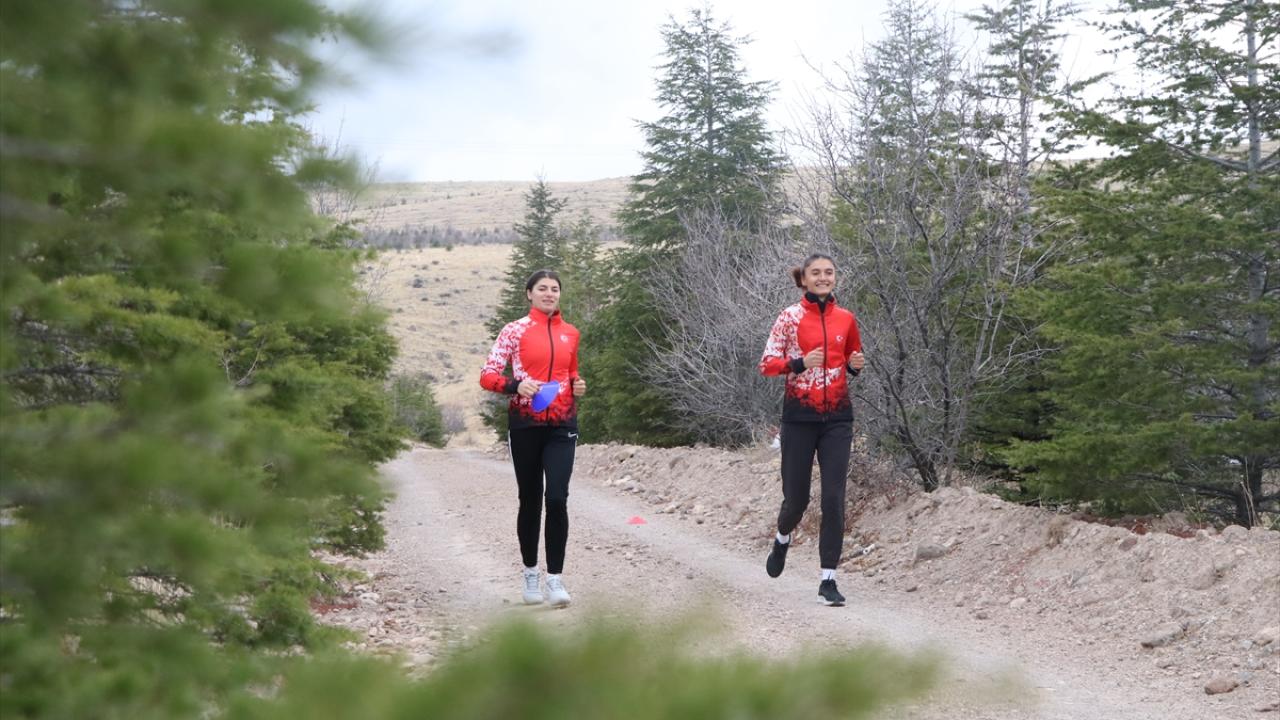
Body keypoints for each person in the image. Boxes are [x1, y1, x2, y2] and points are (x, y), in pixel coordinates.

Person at [758, 253, 865, 606]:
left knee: (834, 498)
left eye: (828, 272)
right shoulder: (789, 318)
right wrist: (799, 362)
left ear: (836, 278)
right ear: (803, 279)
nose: (823, 278)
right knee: (797, 500)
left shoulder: (846, 318)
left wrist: (855, 365)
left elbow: (852, 358)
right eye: (815, 273)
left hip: (838, 419)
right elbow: (767, 365)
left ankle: (828, 580)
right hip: (799, 417)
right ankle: (782, 537)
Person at [480, 269, 587, 608]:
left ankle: (555, 580)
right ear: (529, 293)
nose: (549, 293)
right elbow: (487, 375)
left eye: (555, 289)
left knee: (556, 497)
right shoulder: (514, 330)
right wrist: (515, 385)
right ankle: (530, 573)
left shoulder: (571, 333)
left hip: (562, 424)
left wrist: (578, 384)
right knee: (530, 500)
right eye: (542, 288)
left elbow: (571, 373)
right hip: (525, 424)